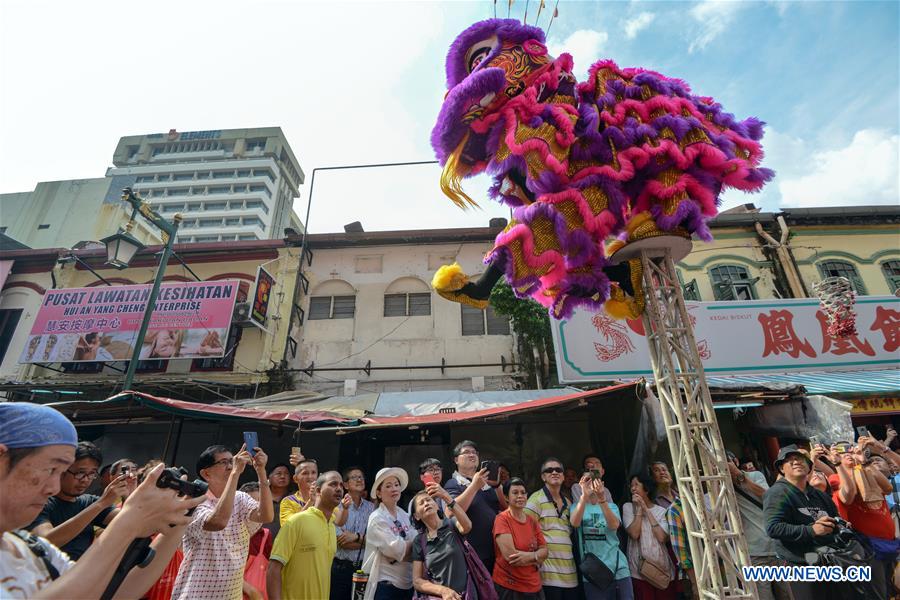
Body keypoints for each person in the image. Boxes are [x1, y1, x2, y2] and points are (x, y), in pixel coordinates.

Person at [0, 402, 205, 599]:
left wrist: (182, 514)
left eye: (61, 472)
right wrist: (127, 523)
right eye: (50, 469)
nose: (53, 487)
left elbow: (115, 592)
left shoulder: (34, 552)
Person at [171, 443, 274, 600]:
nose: (230, 466)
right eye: (223, 462)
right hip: (196, 594)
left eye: (231, 461)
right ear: (206, 473)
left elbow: (266, 516)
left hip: (231, 595)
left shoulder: (241, 497)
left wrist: (261, 471)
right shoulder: (195, 502)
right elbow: (218, 522)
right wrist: (235, 474)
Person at [28, 441, 133, 560]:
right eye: (80, 473)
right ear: (61, 470)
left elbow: (130, 520)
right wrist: (101, 504)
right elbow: (46, 541)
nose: (85, 480)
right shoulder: (40, 502)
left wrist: (129, 494)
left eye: (91, 474)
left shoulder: (89, 502)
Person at [763, 444, 840, 600]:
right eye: (789, 460)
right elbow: (773, 528)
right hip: (800, 566)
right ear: (782, 469)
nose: (796, 462)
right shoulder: (777, 492)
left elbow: (836, 518)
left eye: (800, 459)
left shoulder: (819, 495)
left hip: (828, 562)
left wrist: (840, 525)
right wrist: (811, 530)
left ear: (809, 466)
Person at [830, 437, 896, 600]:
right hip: (868, 546)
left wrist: (863, 462)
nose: (847, 453)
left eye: (849, 449)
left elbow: (887, 488)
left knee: (892, 588)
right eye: (841, 452)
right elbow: (848, 495)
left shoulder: (866, 470)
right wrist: (841, 466)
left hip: (888, 542)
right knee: (877, 592)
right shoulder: (836, 478)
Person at [268, 471, 345, 600]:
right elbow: (273, 568)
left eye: (341, 485)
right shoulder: (297, 521)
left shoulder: (331, 526)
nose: (339, 489)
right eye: (333, 484)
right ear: (319, 490)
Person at [724, 451, 785, 600]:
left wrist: (739, 476)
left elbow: (767, 497)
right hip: (753, 554)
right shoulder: (718, 488)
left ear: (736, 462)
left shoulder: (755, 476)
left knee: (788, 594)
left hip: (776, 547)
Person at [444, 440, 506, 573]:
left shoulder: (487, 483)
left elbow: (505, 509)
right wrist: (474, 486)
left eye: (474, 452)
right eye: (466, 452)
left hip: (495, 551)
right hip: (471, 553)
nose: (472, 455)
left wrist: (496, 486)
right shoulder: (453, 483)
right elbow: (451, 512)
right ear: (456, 460)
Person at [571, 474, 632, 600]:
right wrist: (583, 495)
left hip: (618, 568)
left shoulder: (612, 506)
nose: (591, 483)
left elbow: (614, 525)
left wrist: (602, 499)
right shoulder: (577, 506)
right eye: (587, 480)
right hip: (593, 572)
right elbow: (575, 523)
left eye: (595, 480)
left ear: (602, 484)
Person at [525, 458, 579, 600]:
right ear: (543, 477)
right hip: (547, 573)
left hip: (570, 573)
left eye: (558, 470)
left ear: (563, 475)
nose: (554, 472)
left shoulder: (568, 502)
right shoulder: (535, 499)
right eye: (549, 470)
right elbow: (525, 531)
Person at [410, 483, 474, 600]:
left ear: (437, 506)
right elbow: (417, 581)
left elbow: (467, 526)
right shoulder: (419, 541)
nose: (426, 503)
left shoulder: (452, 524)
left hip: (466, 595)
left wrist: (446, 497)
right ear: (416, 516)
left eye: (429, 500)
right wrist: (443, 591)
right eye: (421, 503)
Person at [362, 467, 414, 600]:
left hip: (408, 583)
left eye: (397, 485)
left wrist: (401, 552)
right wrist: (406, 550)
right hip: (386, 585)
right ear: (379, 493)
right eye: (388, 486)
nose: (394, 489)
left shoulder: (404, 514)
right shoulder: (377, 517)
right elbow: (395, 549)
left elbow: (414, 544)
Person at [622, 472, 676, 600]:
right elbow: (634, 534)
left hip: (661, 570)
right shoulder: (628, 507)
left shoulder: (661, 511)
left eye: (636, 485)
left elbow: (662, 537)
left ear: (646, 488)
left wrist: (646, 509)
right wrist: (639, 509)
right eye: (631, 485)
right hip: (639, 571)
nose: (633, 488)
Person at [493, 478, 548, 600]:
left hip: (534, 586)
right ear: (506, 497)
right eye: (515, 492)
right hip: (509, 587)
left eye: (523, 492)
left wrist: (531, 556)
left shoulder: (532, 521)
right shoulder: (502, 519)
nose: (520, 496)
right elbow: (511, 557)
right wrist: (536, 557)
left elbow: (545, 551)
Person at [332, 466, 375, 600]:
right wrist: (365, 541)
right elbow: (341, 542)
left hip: (364, 567)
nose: (359, 480)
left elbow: (376, 540)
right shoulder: (337, 507)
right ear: (345, 484)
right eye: (354, 477)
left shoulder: (371, 508)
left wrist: (354, 537)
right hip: (341, 567)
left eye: (361, 477)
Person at [240, 482, 273, 600]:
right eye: (250, 502)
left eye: (260, 501)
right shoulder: (228, 533)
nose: (256, 507)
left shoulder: (265, 535)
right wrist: (250, 590)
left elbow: (271, 571)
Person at [281, 457, 318, 524]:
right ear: (295, 478)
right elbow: (289, 526)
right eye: (305, 473)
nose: (310, 476)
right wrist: (311, 501)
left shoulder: (323, 499)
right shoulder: (288, 501)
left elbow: (338, 521)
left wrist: (344, 508)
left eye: (313, 472)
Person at [266, 462, 293, 537]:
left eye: (286, 474)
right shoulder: (261, 497)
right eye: (278, 473)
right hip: (263, 544)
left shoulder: (294, 497)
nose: (283, 476)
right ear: (268, 478)